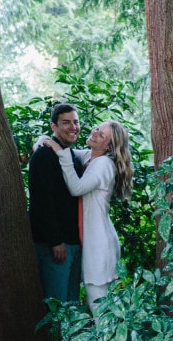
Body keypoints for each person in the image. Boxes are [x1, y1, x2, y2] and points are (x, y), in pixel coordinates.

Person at [44, 120, 133, 313]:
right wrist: (44, 142)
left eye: (101, 135)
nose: (94, 134)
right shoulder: (90, 156)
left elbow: (77, 188)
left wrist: (59, 152)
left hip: (100, 246)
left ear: (108, 146)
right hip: (96, 241)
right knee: (101, 309)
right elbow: (65, 152)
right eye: (96, 129)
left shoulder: (103, 165)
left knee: (100, 312)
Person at [28, 102, 83, 302]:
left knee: (72, 304)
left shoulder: (71, 156)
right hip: (54, 245)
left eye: (75, 122)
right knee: (57, 305)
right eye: (66, 123)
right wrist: (55, 241)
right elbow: (41, 202)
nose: (73, 127)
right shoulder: (43, 155)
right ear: (54, 126)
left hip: (73, 242)